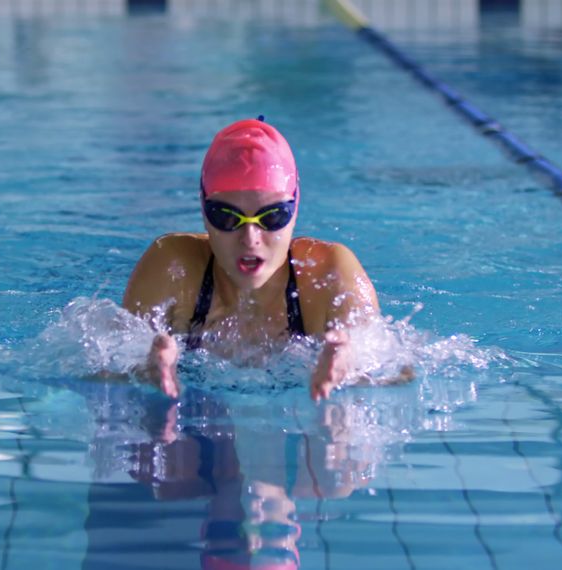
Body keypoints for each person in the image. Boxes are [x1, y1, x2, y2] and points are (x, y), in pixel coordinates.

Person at [123, 117, 386, 401]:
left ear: (296, 208)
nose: (250, 238)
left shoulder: (330, 275)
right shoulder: (172, 267)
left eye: (272, 216)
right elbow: (96, 370)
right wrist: (138, 371)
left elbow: (403, 371)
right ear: (202, 209)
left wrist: (358, 370)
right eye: (226, 216)